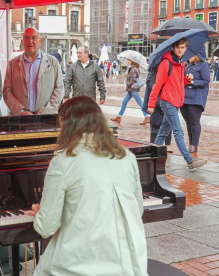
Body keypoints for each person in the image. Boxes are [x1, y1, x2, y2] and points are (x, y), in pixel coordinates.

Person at [25, 95, 148, 276]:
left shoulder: (63, 161)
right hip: (129, 267)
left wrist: (41, 215)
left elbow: (46, 229)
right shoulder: (127, 156)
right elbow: (137, 210)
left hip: (77, 267)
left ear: (68, 126)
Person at [148, 37, 207, 170]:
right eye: (178, 47)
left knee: (163, 132)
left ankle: (152, 156)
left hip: (176, 101)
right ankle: (190, 161)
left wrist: (187, 79)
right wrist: (151, 104)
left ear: (186, 48)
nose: (180, 50)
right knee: (178, 132)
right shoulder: (166, 63)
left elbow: (178, 82)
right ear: (173, 48)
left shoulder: (180, 63)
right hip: (168, 101)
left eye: (183, 47)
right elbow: (158, 84)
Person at [3, 27, 64, 115]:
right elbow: (7, 91)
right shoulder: (12, 64)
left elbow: (59, 89)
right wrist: (21, 112)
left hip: (46, 118)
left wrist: (44, 112)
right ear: (22, 41)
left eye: (34, 38)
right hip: (20, 118)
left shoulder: (53, 62)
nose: (30, 41)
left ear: (40, 41)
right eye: (26, 38)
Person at [181, 48, 210, 153]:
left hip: (196, 98)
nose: (188, 56)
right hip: (184, 98)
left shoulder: (203, 65)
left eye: (190, 54)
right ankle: (191, 143)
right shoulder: (187, 66)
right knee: (188, 122)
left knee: (194, 121)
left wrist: (192, 81)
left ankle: (194, 144)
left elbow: (206, 81)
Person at [111, 59, 150, 125]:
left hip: (133, 89)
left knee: (140, 102)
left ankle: (147, 117)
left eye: (129, 60)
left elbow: (133, 79)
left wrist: (128, 84)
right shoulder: (133, 68)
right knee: (124, 102)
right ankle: (119, 117)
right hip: (131, 89)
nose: (128, 61)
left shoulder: (133, 69)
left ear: (133, 61)